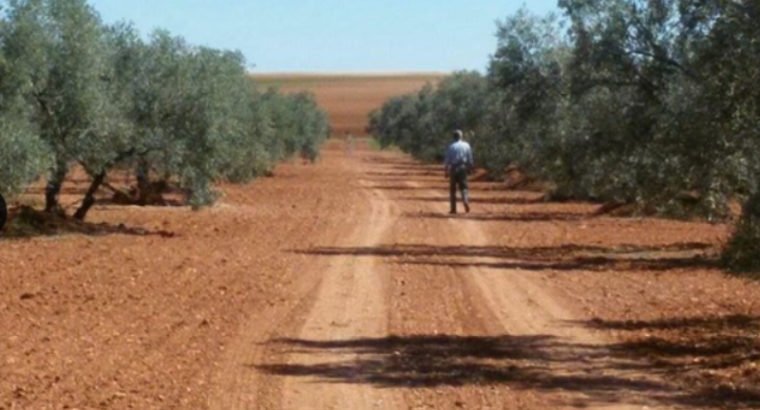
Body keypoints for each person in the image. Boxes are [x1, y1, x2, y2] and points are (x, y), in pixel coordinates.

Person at [444, 130, 473, 214]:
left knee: (453, 189)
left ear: (454, 137)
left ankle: (453, 209)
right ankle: (465, 200)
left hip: (453, 168)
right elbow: (470, 158)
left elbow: (447, 160)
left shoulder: (451, 146)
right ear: (461, 136)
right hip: (463, 168)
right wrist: (470, 168)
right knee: (464, 187)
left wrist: (446, 171)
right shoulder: (467, 145)